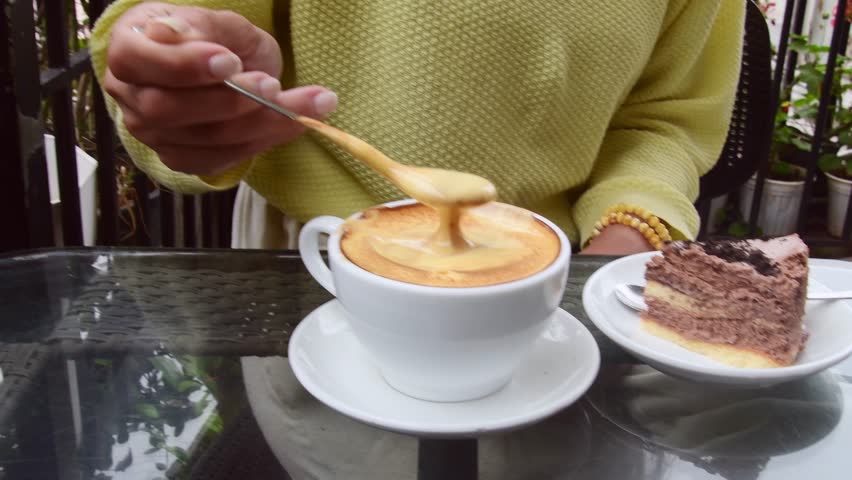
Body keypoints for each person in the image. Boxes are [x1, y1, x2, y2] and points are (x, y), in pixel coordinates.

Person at [90, 1, 745, 478]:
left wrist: (617, 252)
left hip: (565, 283)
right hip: (311, 284)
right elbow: (188, 28)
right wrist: (181, 67)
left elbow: (664, 122)